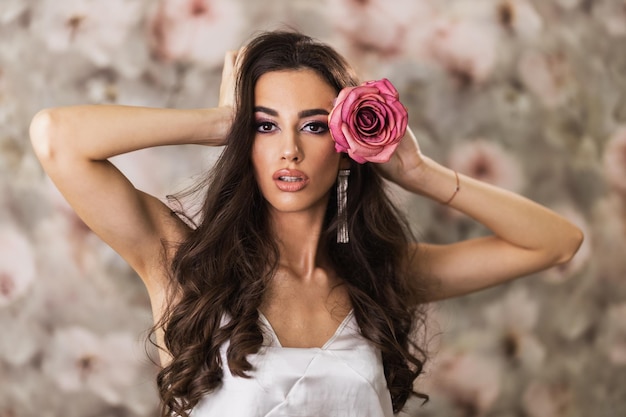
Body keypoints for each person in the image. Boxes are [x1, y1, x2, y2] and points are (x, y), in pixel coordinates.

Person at [29, 30, 583, 417]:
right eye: (266, 127)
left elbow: (557, 243)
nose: (288, 150)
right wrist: (224, 122)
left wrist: (418, 171)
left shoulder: (382, 275)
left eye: (314, 127)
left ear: (346, 150)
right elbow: (56, 137)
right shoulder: (182, 263)